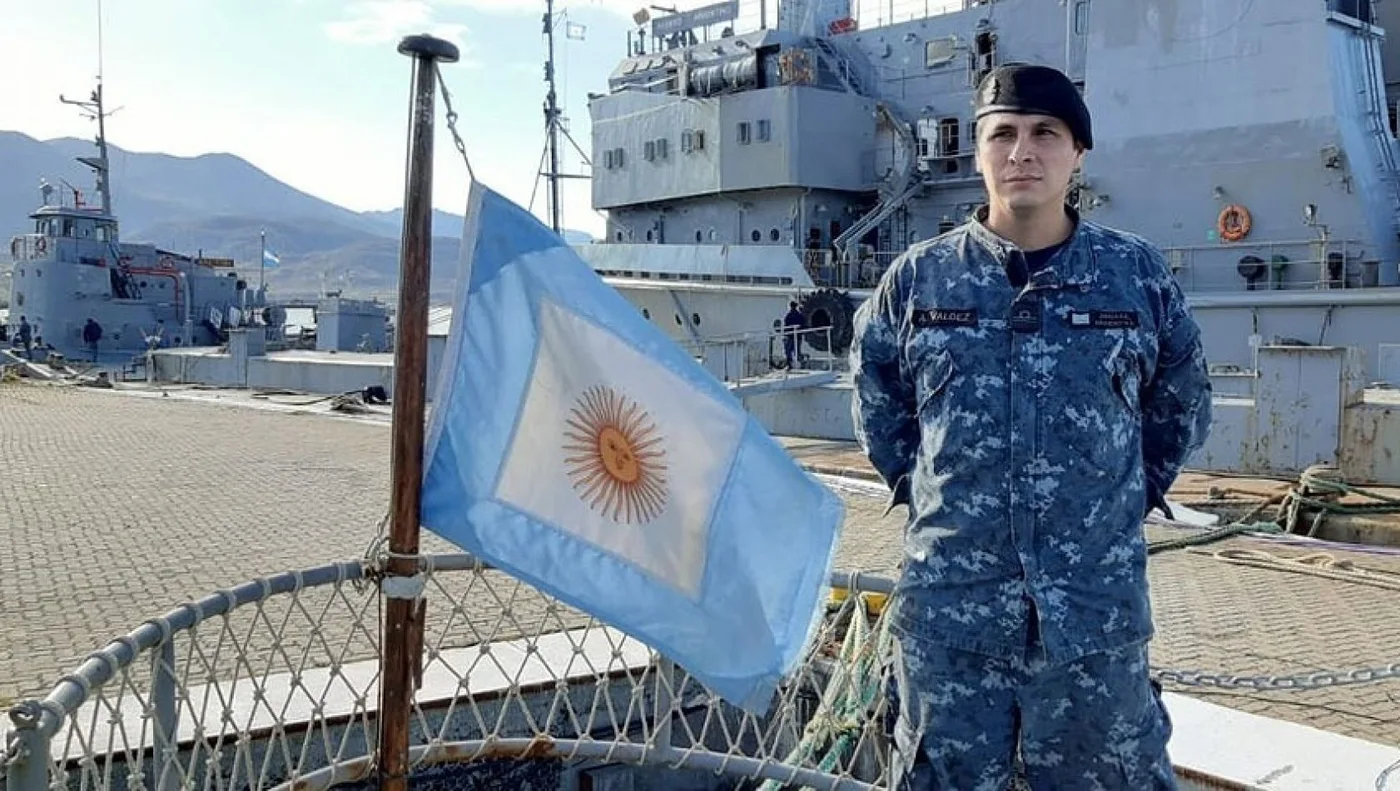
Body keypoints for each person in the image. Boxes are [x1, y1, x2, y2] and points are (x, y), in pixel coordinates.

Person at [850, 63, 1212, 789]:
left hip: (1092, 622)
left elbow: (1179, 408)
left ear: (1078, 151)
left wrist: (1108, 508)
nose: (1023, 151)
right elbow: (880, 411)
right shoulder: (919, 282)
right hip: (952, 618)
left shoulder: (1134, 277)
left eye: (1046, 133)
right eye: (1003, 133)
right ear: (978, 151)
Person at [783, 301, 805, 368]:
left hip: (790, 336)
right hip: (798, 336)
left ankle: (789, 364)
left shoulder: (788, 316)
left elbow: (786, 326)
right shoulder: (799, 315)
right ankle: (801, 363)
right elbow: (803, 324)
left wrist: (785, 335)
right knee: (797, 351)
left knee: (788, 351)